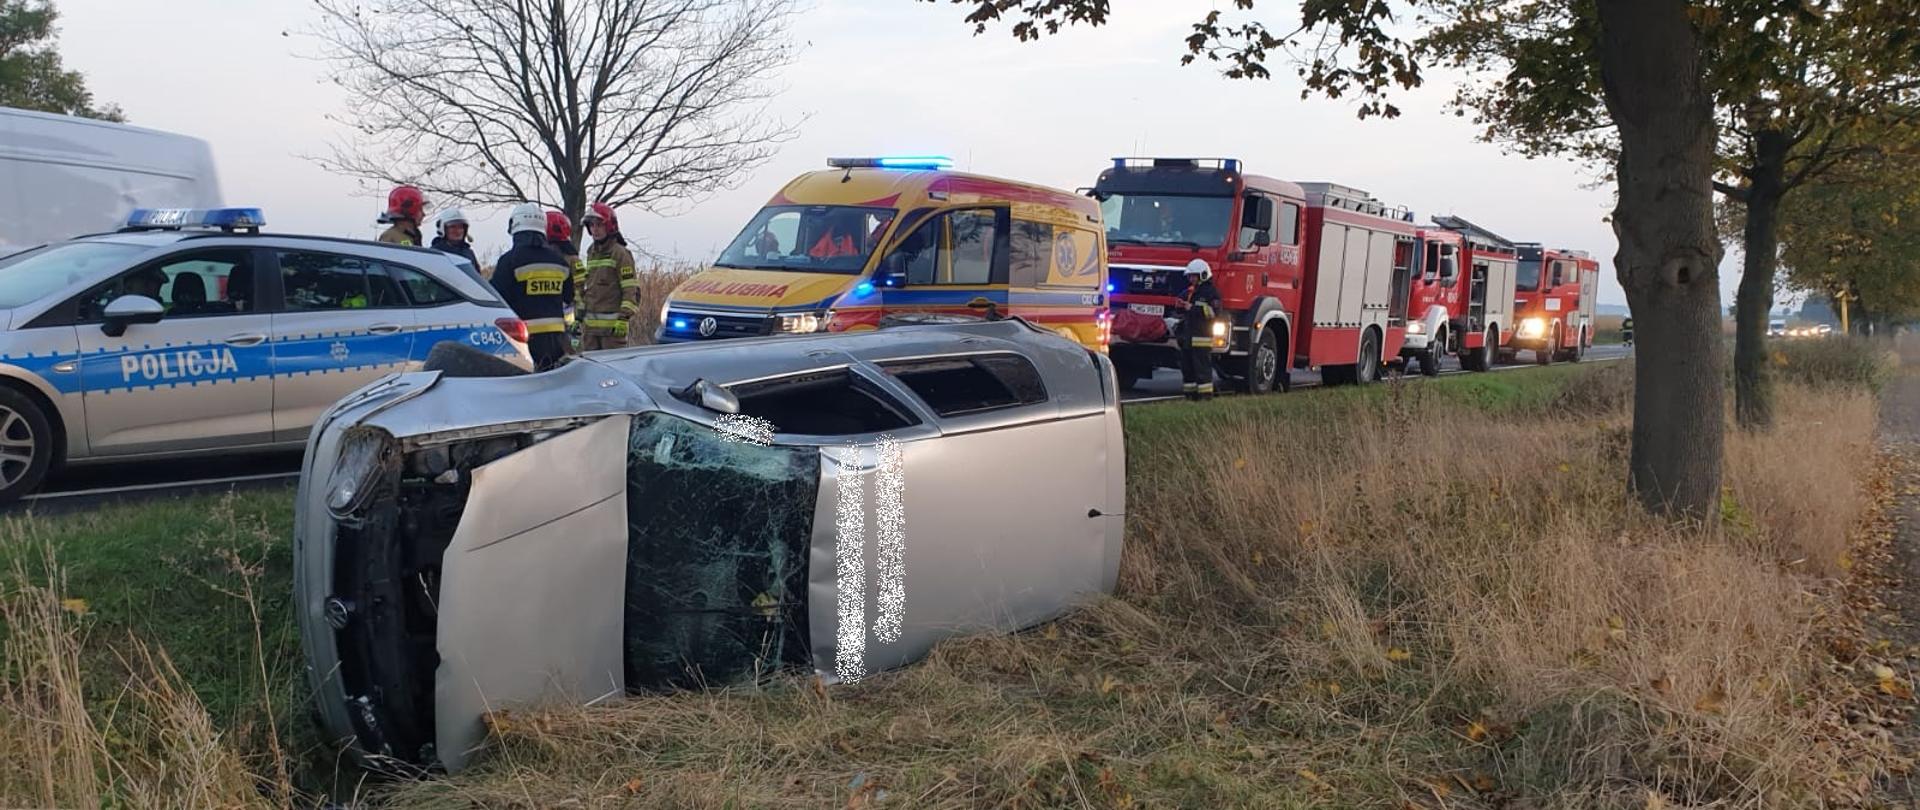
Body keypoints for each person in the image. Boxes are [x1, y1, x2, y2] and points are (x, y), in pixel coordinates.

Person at [491, 203, 576, 370]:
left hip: (524, 339)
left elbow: (497, 297)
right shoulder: (559, 262)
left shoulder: (509, 261)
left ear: (514, 225)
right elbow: (569, 296)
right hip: (557, 339)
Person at [581, 202, 643, 347]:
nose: (595, 229)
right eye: (591, 225)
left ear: (609, 226)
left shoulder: (620, 253)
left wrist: (623, 318)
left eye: (599, 225)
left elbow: (630, 290)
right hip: (590, 331)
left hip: (612, 332)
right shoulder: (591, 252)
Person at [1176, 258, 1221, 401]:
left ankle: (1205, 396)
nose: (1191, 279)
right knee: (1187, 368)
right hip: (1188, 338)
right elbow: (1181, 306)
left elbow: (1213, 312)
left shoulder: (1211, 293)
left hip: (1202, 338)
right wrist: (1179, 304)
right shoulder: (1190, 291)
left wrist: (1193, 308)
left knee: (1202, 369)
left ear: (1203, 275)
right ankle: (1190, 396)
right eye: (1189, 276)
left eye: (1193, 276)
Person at [547, 210, 585, 343]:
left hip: (566, 317)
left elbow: (580, 289)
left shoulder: (572, 260)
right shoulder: (573, 258)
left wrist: (578, 318)